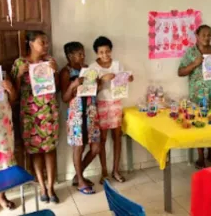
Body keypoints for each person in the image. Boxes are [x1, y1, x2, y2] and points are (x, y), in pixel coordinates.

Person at [11, 31, 60, 203]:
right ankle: (42, 187)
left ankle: (51, 187)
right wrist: (18, 75)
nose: (46, 45)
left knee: (50, 150)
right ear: (31, 43)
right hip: (29, 114)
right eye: (42, 42)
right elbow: (14, 94)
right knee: (35, 151)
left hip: (49, 111)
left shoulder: (50, 62)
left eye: (46, 42)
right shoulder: (20, 63)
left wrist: (54, 72)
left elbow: (58, 88)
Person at [178, 25, 211, 169]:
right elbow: (180, 72)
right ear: (197, 36)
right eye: (204, 35)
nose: (207, 38)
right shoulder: (191, 52)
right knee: (200, 124)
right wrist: (194, 64)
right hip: (198, 96)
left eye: (209, 35)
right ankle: (200, 158)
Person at [90, 36, 134, 184]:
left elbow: (123, 80)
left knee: (117, 137)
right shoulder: (92, 67)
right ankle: (103, 172)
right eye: (101, 52)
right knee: (102, 139)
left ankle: (116, 170)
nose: (105, 55)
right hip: (101, 104)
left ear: (111, 51)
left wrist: (128, 78)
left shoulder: (117, 64)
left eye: (107, 51)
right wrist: (102, 79)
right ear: (96, 53)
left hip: (116, 102)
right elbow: (89, 89)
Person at [60, 42, 102, 194]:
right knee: (78, 146)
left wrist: (97, 83)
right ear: (70, 56)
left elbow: (95, 90)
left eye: (83, 53)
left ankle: (78, 176)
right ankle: (80, 181)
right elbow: (64, 98)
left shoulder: (88, 70)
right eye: (79, 54)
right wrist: (73, 85)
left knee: (96, 147)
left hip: (91, 111)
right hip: (76, 114)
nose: (83, 56)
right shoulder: (66, 72)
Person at [0, 69, 17, 210]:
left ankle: (1, 196)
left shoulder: (1, 73)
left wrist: (10, 88)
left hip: (2, 125)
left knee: (3, 161)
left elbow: (14, 98)